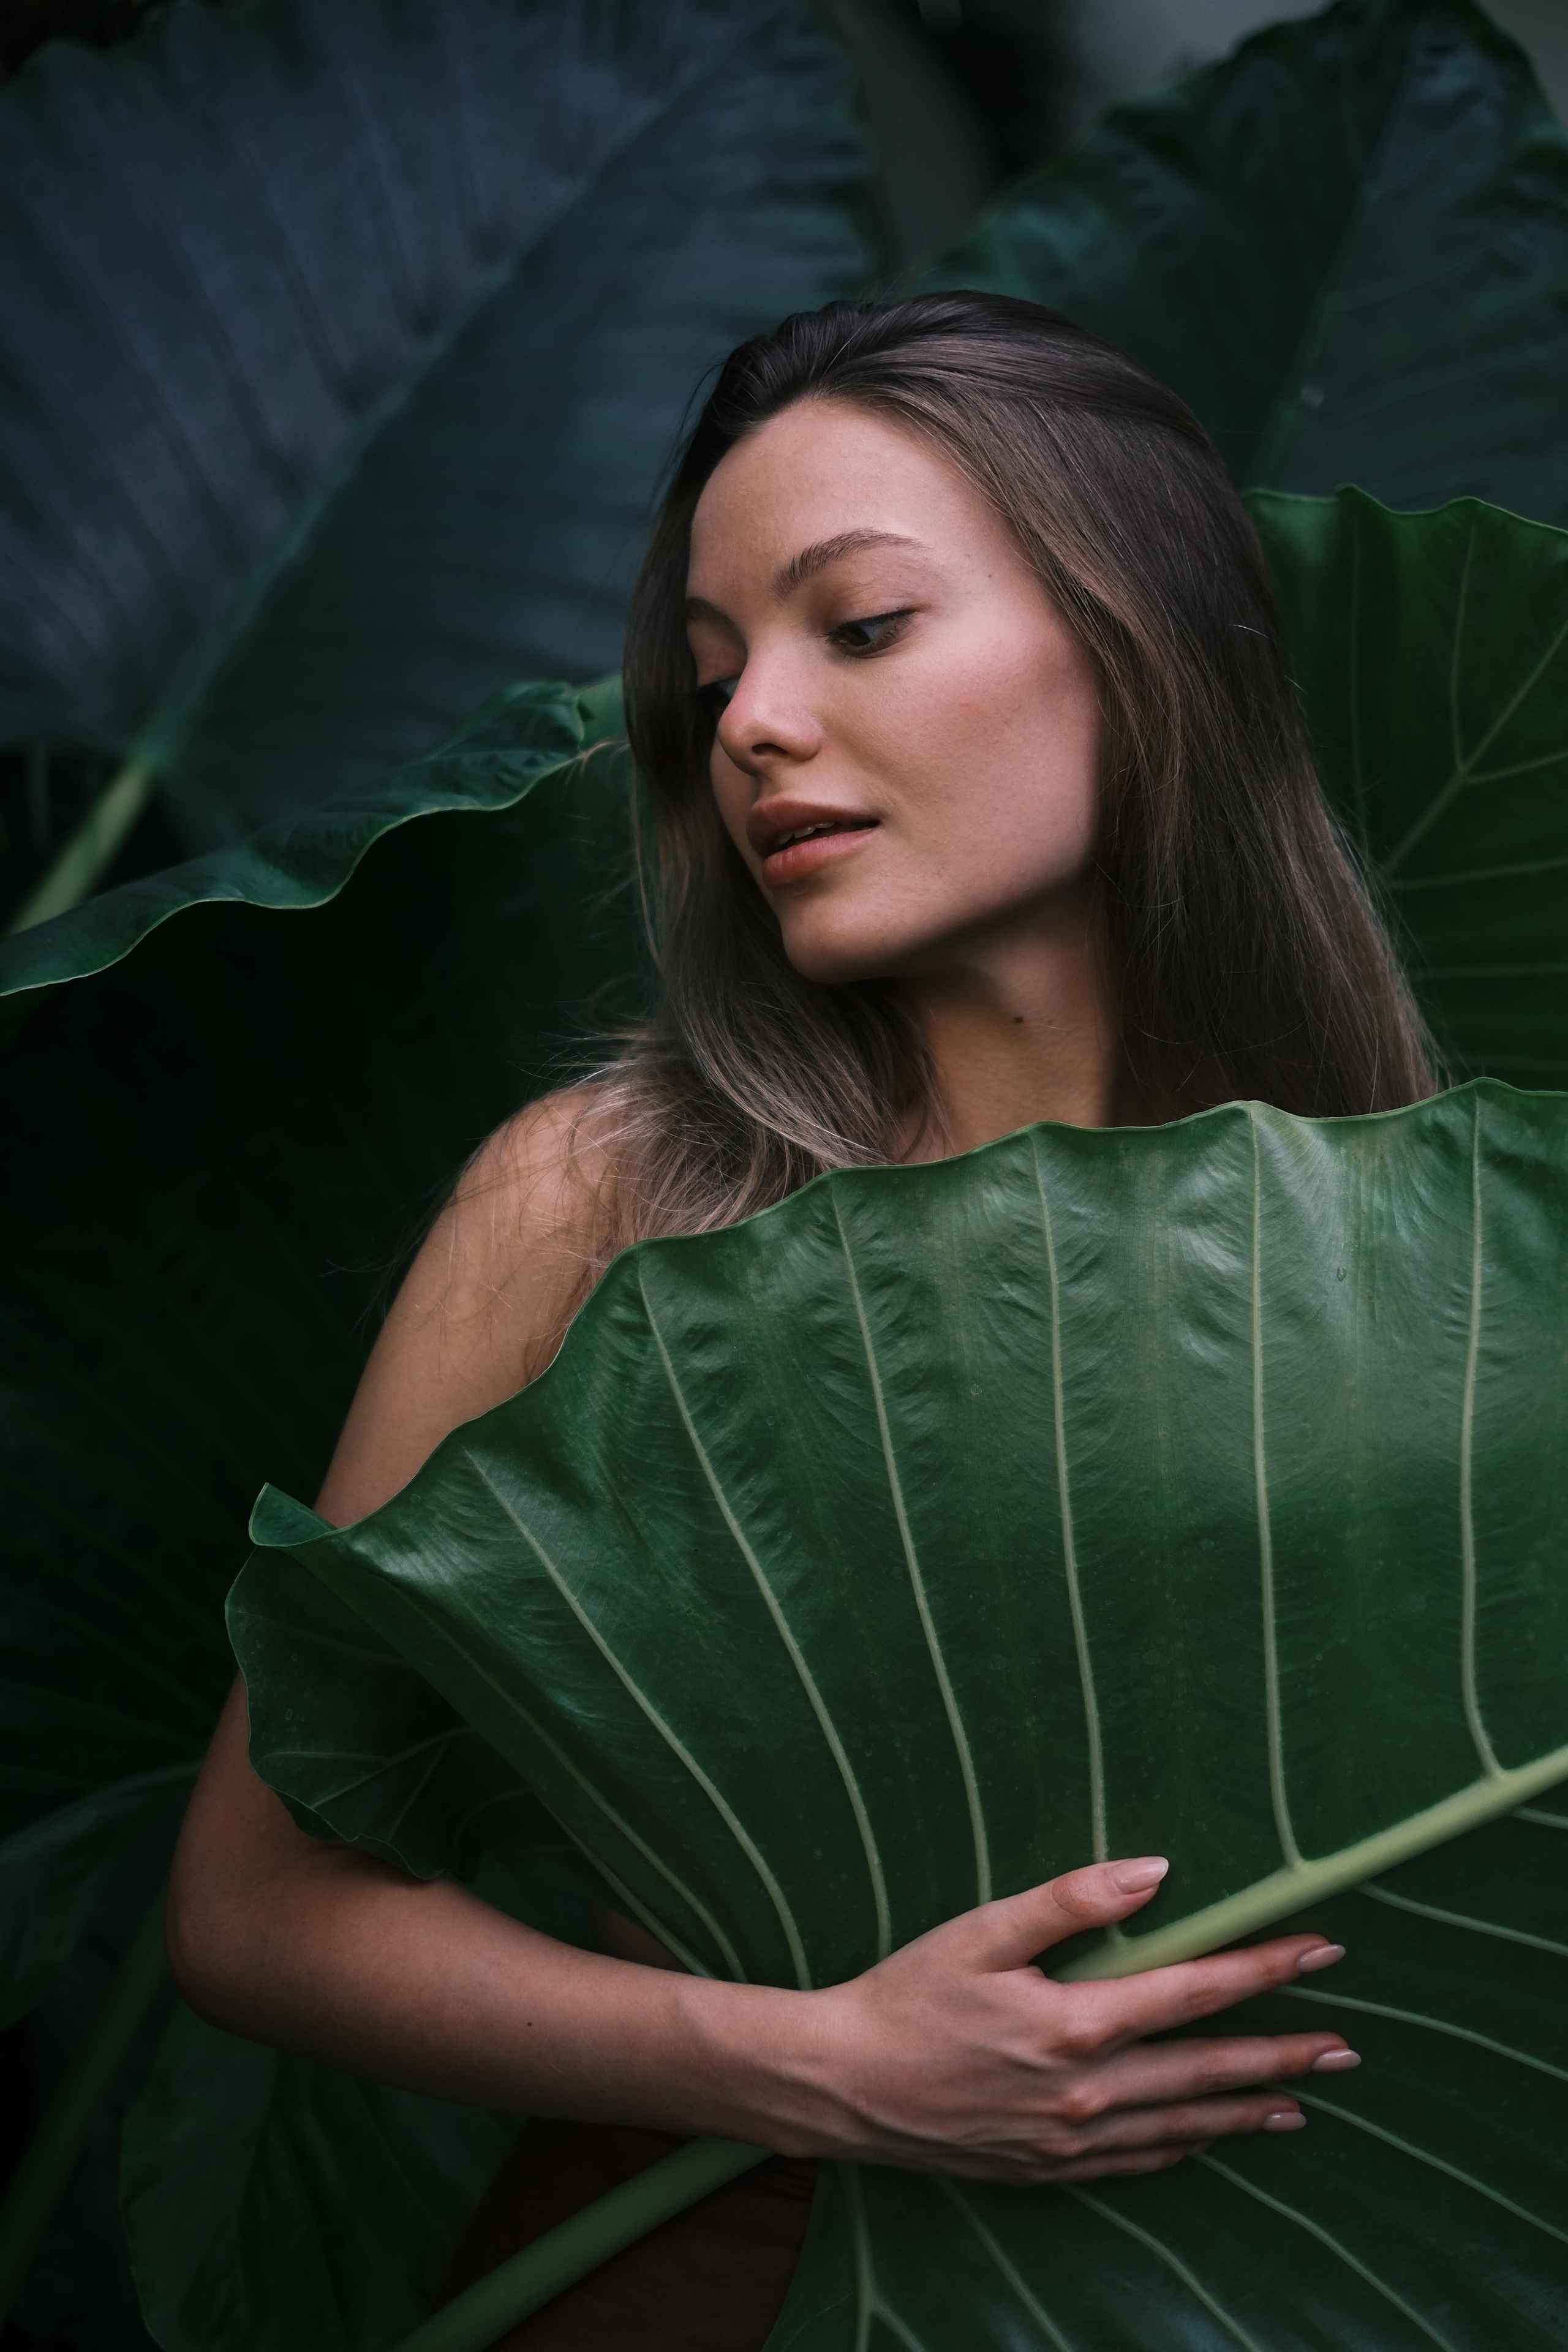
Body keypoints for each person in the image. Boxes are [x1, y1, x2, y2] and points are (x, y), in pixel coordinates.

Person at [168, 295, 1434, 2346]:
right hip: (703, 2278)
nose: (750, 721)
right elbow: (254, 1909)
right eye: (713, 667)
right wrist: (826, 2064)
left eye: (857, 628)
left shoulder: (1414, 1253)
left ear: (1145, 645)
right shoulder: (609, 1203)